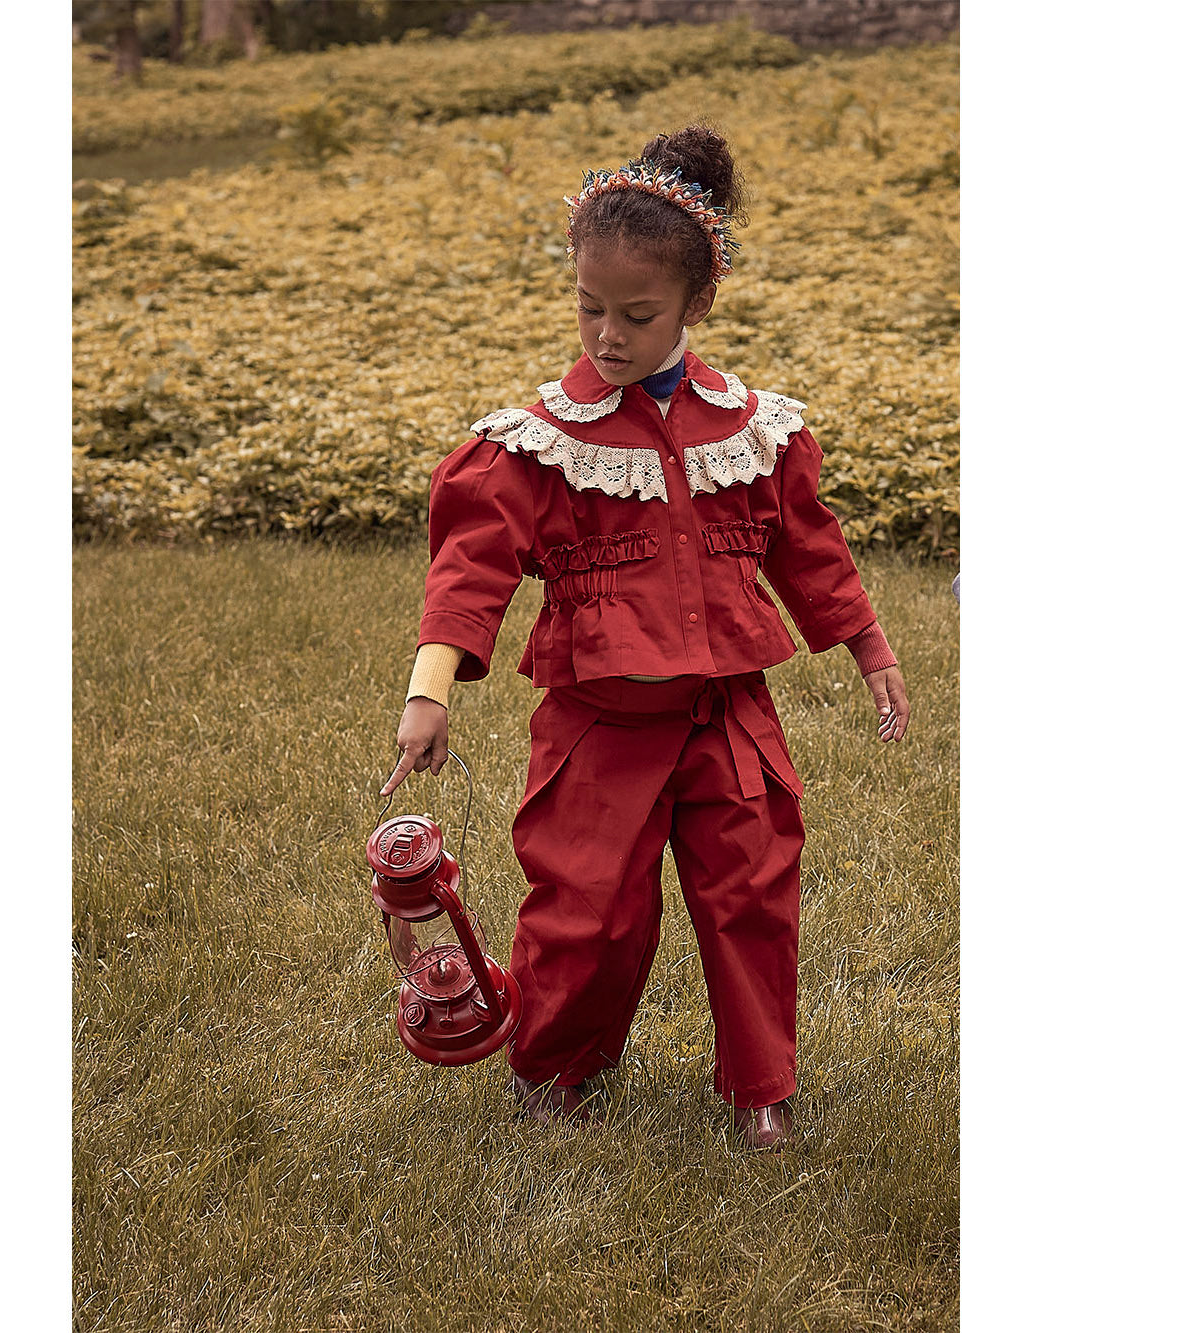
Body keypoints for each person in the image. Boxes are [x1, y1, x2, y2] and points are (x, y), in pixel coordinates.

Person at [381, 125, 910, 1151]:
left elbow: (807, 547)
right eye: (588, 307)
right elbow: (469, 570)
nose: (606, 335)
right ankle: (555, 1069)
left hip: (728, 716)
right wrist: (427, 691)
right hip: (598, 725)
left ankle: (760, 1086)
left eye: (636, 315)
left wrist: (870, 649)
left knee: (754, 892)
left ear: (694, 304)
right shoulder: (540, 444)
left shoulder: (752, 430)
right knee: (587, 908)